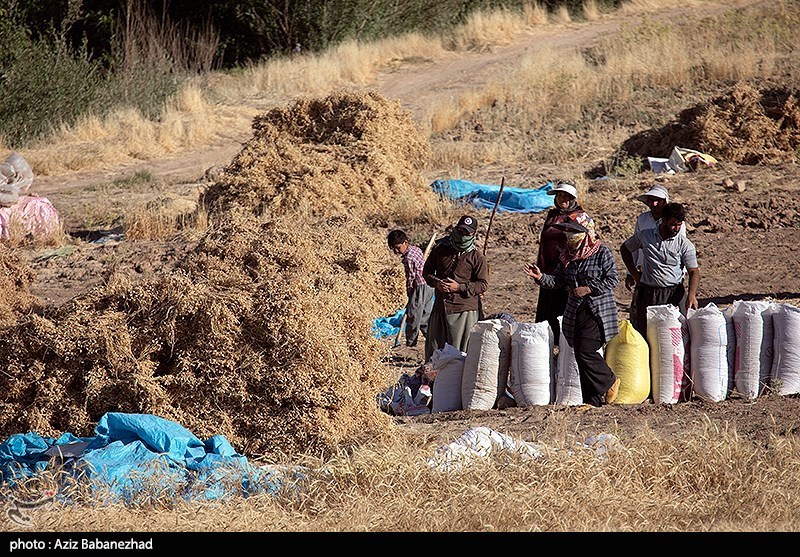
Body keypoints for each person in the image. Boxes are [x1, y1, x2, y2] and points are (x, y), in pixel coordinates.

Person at [525, 213, 620, 408]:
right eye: (568, 233)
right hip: (575, 310)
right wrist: (541, 277)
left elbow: (612, 280)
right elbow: (558, 281)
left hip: (596, 311)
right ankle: (591, 400)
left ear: (586, 234)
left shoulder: (602, 253)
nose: (570, 237)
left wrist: (588, 288)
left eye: (575, 233)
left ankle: (609, 380)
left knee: (586, 350)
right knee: (578, 354)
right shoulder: (566, 256)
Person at [620, 202, 700, 339]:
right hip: (648, 293)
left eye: (679, 225)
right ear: (664, 220)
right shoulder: (645, 236)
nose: (676, 228)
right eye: (673, 224)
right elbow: (625, 249)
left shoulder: (684, 244)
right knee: (645, 333)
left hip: (673, 293)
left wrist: (691, 295)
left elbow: (693, 271)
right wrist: (634, 273)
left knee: (676, 335)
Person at [423, 214, 489, 362]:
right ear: (456, 230)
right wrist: (437, 283)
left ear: (473, 234)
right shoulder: (441, 250)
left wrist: (458, 287)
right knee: (435, 353)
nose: (463, 235)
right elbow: (426, 272)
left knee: (459, 355)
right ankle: (433, 384)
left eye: (468, 233)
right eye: (461, 231)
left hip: (464, 310)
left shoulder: (476, 257)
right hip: (440, 307)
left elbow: (482, 284)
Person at [534, 179, 587, 341]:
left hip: (568, 272)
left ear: (572, 199)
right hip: (548, 270)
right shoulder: (552, 215)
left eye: (566, 196)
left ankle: (564, 346)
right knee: (547, 311)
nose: (562, 199)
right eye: (559, 195)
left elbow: (585, 245)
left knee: (565, 311)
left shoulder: (580, 218)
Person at [625, 184, 687, 325]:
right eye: (651, 200)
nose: (654, 204)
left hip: (669, 277)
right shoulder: (643, 219)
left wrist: (680, 275)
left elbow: (680, 248)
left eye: (658, 200)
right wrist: (632, 272)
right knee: (642, 319)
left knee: (671, 320)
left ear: (665, 201)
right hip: (645, 274)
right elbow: (632, 248)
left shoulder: (676, 222)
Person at [387, 229, 435, 347]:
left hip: (420, 287)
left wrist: (409, 292)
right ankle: (433, 340)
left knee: (413, 314)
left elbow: (411, 278)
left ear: (405, 242)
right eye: (394, 249)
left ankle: (410, 342)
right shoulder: (416, 249)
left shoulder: (408, 258)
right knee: (425, 316)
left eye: (398, 248)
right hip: (429, 286)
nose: (396, 251)